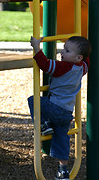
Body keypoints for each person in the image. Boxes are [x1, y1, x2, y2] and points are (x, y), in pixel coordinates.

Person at [28, 36, 91, 180]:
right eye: (64, 49)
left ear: (78, 57)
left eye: (67, 51)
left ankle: (43, 125)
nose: (62, 52)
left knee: (34, 100)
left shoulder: (63, 67)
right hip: (67, 113)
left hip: (54, 107)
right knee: (62, 138)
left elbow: (45, 64)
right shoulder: (83, 68)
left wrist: (37, 47)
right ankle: (63, 170)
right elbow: (87, 59)